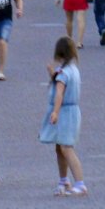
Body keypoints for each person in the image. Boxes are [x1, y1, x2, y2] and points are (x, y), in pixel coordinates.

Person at [40, 37, 86, 196]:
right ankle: (63, 180)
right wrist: (53, 74)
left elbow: (59, 93)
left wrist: (55, 112)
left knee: (66, 148)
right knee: (60, 147)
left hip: (65, 112)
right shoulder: (72, 70)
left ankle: (79, 183)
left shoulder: (63, 73)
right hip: (72, 111)